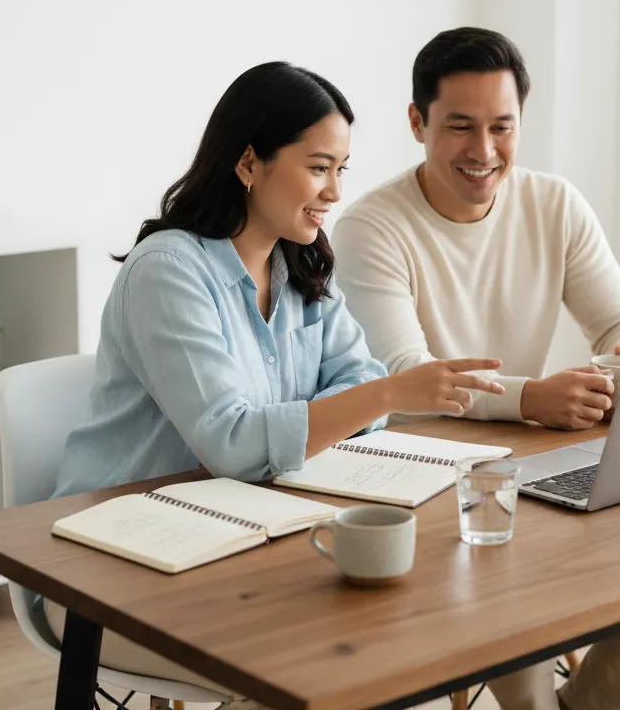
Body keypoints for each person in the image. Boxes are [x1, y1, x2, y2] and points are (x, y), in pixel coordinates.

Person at [43, 61, 505, 691]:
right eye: (318, 167)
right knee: (313, 667)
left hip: (240, 537)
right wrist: (387, 392)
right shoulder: (169, 272)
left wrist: (361, 399)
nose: (335, 192)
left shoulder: (303, 266)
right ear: (248, 164)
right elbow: (233, 443)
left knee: (406, 629)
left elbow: (358, 382)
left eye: (341, 170)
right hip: (113, 560)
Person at [331, 28, 620, 710]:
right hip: (423, 479)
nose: (484, 152)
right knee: (512, 587)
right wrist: (531, 398)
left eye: (501, 128)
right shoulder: (371, 227)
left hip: (532, 464)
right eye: (460, 127)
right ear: (417, 122)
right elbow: (409, 375)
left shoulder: (554, 204)